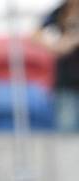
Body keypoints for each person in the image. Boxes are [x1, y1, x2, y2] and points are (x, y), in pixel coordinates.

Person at [36, 0, 79, 131]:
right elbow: (37, 33)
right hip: (66, 82)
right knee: (66, 129)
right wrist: (54, 46)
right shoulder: (60, 11)